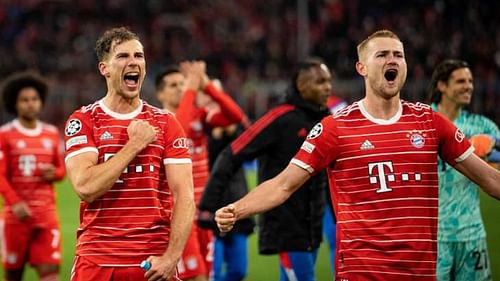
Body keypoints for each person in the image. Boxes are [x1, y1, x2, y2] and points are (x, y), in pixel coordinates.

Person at [214, 30, 500, 281]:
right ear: (361, 67)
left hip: (420, 273)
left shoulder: (430, 122)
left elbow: (487, 177)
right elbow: (283, 185)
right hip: (361, 272)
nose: (392, 60)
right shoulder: (335, 128)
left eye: (398, 55)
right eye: (382, 55)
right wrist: (236, 209)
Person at [64, 27, 195, 281]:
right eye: (123, 56)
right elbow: (86, 186)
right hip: (97, 259)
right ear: (105, 68)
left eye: (139, 55)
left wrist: (171, 258)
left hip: (152, 263)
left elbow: (185, 196)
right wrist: (134, 145)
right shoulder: (83, 120)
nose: (133, 62)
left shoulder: (166, 122)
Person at [201, 57, 332, 281]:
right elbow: (231, 154)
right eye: (320, 81)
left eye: (328, 80)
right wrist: (207, 208)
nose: (328, 86)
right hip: (287, 229)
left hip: (314, 225)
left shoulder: (327, 119)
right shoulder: (279, 118)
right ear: (301, 85)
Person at [155, 62, 246, 281]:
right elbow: (179, 129)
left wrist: (207, 86)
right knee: (194, 277)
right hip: (178, 214)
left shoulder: (199, 116)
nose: (180, 88)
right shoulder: (157, 120)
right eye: (173, 85)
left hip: (204, 211)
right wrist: (190, 90)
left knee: (207, 275)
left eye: (182, 83)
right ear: (160, 93)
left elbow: (235, 116)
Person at [428, 59, 499, 281]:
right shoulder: (421, 122)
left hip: (471, 234)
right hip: (432, 237)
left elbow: (496, 176)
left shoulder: (484, 127)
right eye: (460, 81)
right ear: (442, 85)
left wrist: (489, 155)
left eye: (470, 81)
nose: (468, 86)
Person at [0, 72, 66, 281]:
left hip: (46, 217)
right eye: (24, 100)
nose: (30, 104)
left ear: (41, 102)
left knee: (50, 274)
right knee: (13, 275)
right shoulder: (5, 134)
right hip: (16, 219)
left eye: (34, 99)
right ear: (15, 104)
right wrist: (15, 203)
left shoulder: (51, 133)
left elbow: (61, 170)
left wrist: (54, 173)